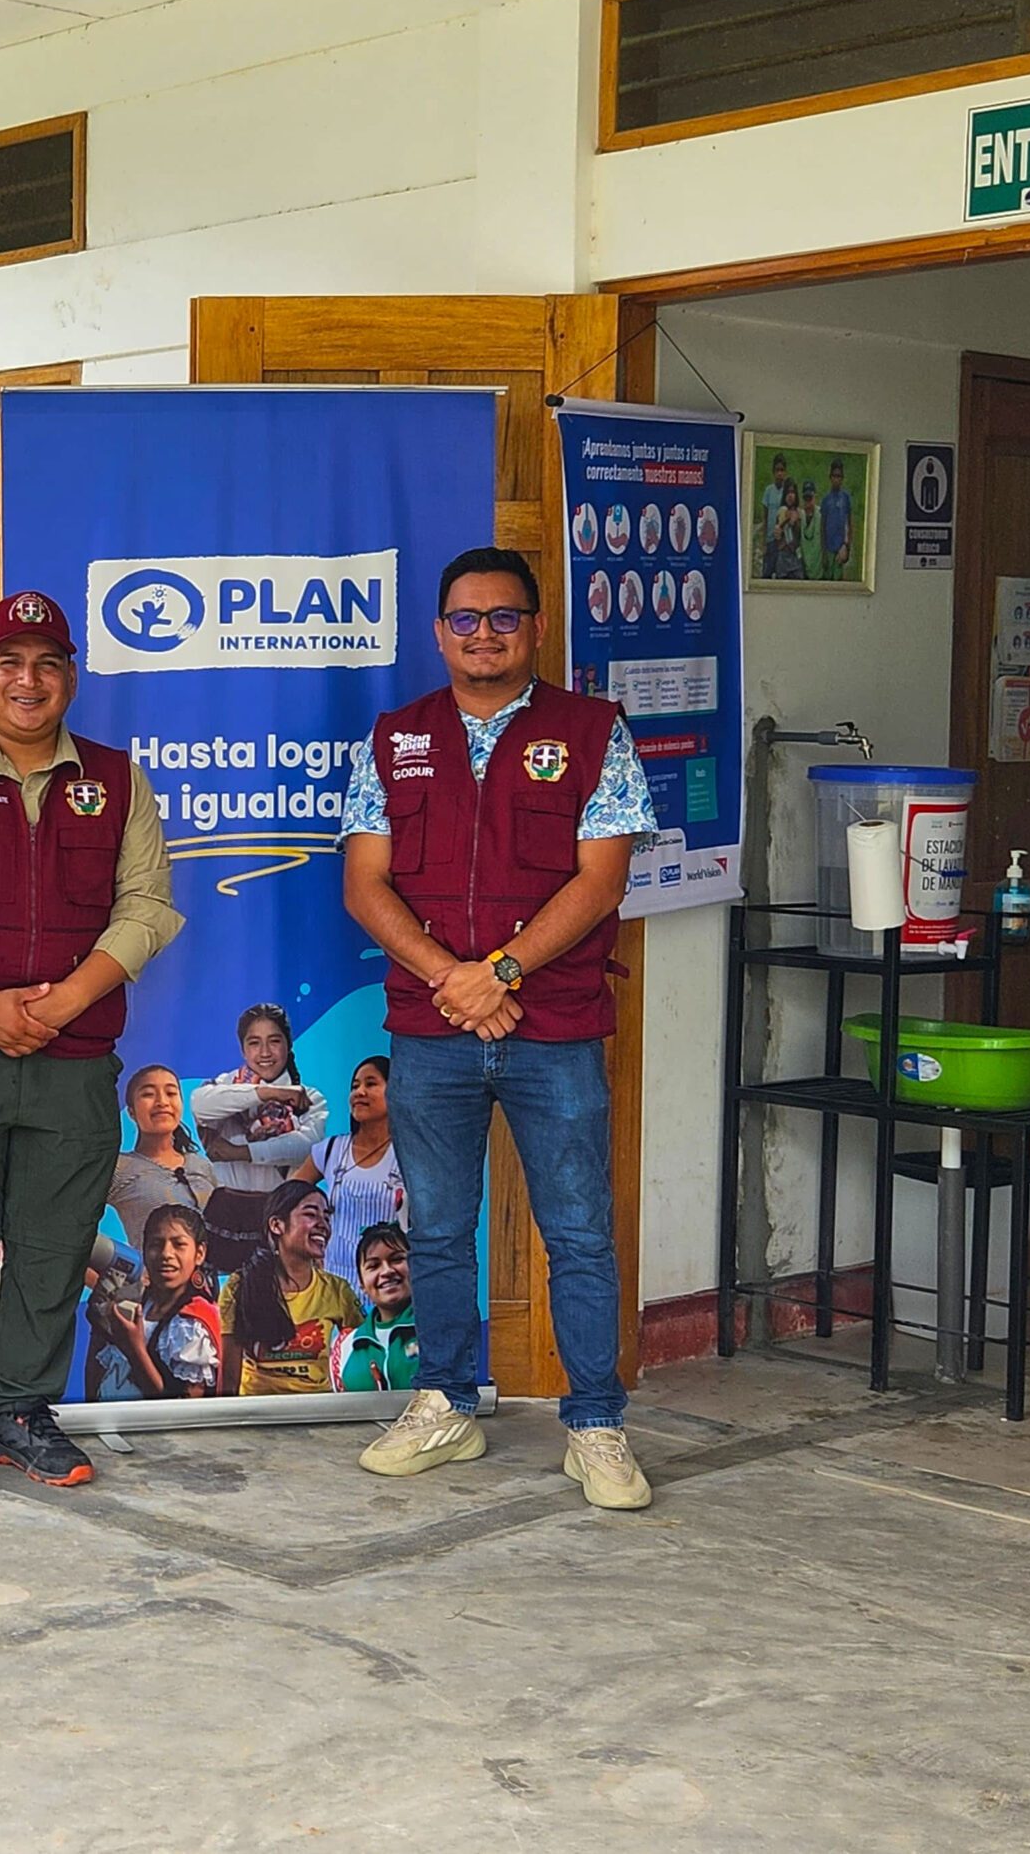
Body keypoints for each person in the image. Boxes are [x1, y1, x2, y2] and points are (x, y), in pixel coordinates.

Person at [341, 545, 656, 1510]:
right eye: (466, 619)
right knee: (437, 1230)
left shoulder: (594, 732)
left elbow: (601, 879)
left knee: (580, 1233)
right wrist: (454, 981)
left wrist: (503, 973)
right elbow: (365, 883)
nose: (484, 633)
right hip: (433, 1030)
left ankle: (595, 1423)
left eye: (503, 617)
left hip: (552, 1027)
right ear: (439, 633)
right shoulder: (394, 738)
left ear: (534, 625)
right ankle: (444, 1402)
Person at [0, 588, 183, 1491]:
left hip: (74, 1058)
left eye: (47, 664)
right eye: (9, 663)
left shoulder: (115, 780)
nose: (28, 680)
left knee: (54, 1241)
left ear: (71, 680)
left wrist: (59, 1007)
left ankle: (19, 1410)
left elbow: (147, 906)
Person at [192, 1003, 327, 1282]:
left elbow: (303, 1147)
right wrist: (268, 1093)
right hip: (224, 1218)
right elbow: (199, 1105)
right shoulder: (224, 1086)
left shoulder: (309, 1098)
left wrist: (240, 1152)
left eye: (274, 1041)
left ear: (288, 1046)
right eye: (254, 1043)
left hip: (281, 1220)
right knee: (221, 1311)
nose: (264, 1053)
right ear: (243, 1049)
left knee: (282, 1307)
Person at [214, 1182, 355, 1395]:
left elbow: (362, 1351)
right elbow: (229, 1377)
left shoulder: (337, 1290)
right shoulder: (240, 1285)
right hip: (256, 1413)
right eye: (311, 1214)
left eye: (326, 1217)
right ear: (277, 1225)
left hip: (318, 1413)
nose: (323, 1224)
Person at [288, 1055, 405, 1294]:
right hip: (336, 1288)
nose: (359, 1092)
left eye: (371, 1084)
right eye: (355, 1086)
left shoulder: (409, 1155)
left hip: (389, 1288)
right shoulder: (331, 1151)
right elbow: (288, 1196)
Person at [83, 1204, 219, 1402]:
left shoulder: (193, 1322)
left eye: (178, 1244)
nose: (166, 1254)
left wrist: (133, 1348)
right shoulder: (136, 1305)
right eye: (156, 1244)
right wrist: (100, 1328)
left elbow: (181, 1409)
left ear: (200, 1253)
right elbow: (96, 1378)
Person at [107, 1063, 215, 1250]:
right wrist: (105, 1276)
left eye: (171, 1093)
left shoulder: (201, 1165)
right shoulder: (118, 1167)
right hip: (149, 1278)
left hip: (204, 1279)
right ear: (131, 1111)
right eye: (148, 1094)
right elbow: (69, 1223)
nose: (162, 1102)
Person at [331, 1223, 420, 1393]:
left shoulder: (439, 1331)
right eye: (373, 1266)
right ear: (362, 1284)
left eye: (397, 1259)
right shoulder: (345, 1347)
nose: (386, 1271)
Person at [818, 457, 857, 580]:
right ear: (830, 477)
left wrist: (847, 546)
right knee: (827, 579)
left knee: (838, 579)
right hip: (828, 548)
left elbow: (850, 523)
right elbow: (822, 526)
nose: (836, 479)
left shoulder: (845, 498)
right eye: (834, 476)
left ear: (842, 478)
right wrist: (823, 552)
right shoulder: (826, 500)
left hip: (841, 547)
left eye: (839, 476)